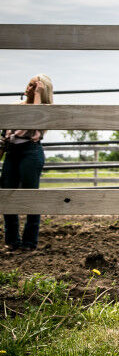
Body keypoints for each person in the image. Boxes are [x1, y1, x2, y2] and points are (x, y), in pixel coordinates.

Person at [2, 74, 53, 251]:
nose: (29, 89)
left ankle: (29, 243)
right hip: (12, 153)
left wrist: (38, 95)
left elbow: (33, 120)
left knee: (31, 196)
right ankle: (12, 241)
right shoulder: (15, 107)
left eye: (35, 87)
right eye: (30, 85)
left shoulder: (42, 110)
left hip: (30, 153)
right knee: (7, 195)